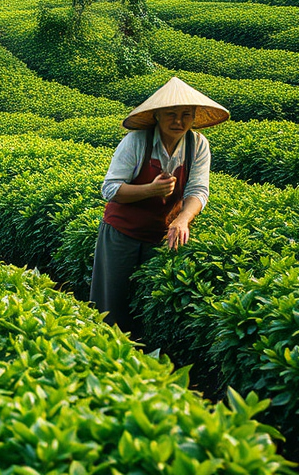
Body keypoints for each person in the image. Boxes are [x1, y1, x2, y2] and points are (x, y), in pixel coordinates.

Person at [89, 77, 229, 334]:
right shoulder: (136, 142)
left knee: (150, 303)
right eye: (171, 114)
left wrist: (183, 219)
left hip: (162, 236)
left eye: (186, 115)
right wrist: (150, 190)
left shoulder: (197, 144)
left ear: (195, 116)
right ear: (156, 116)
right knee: (110, 305)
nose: (178, 121)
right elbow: (109, 189)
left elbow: (198, 190)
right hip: (121, 234)